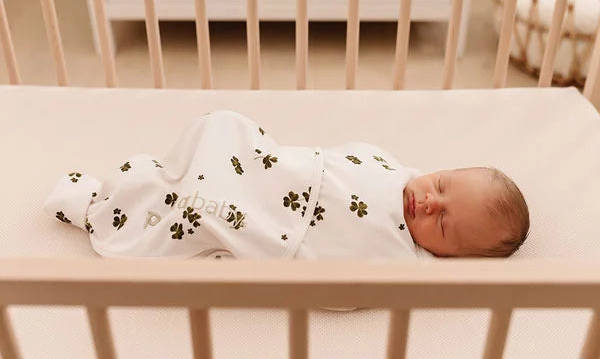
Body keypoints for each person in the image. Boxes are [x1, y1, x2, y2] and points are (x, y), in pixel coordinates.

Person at [43, 110, 529, 262]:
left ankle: (101, 209)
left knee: (197, 212)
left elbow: (340, 288)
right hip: (271, 171)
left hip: (269, 221)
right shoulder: (394, 168)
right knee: (224, 127)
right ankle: (146, 183)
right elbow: (334, 157)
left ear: (447, 255)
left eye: (442, 223)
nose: (428, 202)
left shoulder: (399, 260)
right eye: (441, 184)